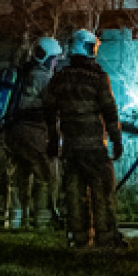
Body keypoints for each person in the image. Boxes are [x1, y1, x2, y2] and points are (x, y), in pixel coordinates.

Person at [44, 28, 127, 249]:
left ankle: (79, 238)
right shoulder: (98, 79)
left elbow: (49, 112)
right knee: (102, 193)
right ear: (86, 48)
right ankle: (106, 238)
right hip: (94, 149)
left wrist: (53, 140)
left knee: (74, 194)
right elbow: (110, 112)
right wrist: (116, 139)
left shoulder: (59, 79)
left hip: (71, 149)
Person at [0, 35, 63, 230]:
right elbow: (53, 108)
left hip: (13, 134)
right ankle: (42, 221)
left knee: (18, 177)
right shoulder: (44, 79)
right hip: (35, 134)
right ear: (48, 58)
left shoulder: (21, 75)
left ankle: (14, 220)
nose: (55, 64)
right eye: (54, 60)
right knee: (44, 176)